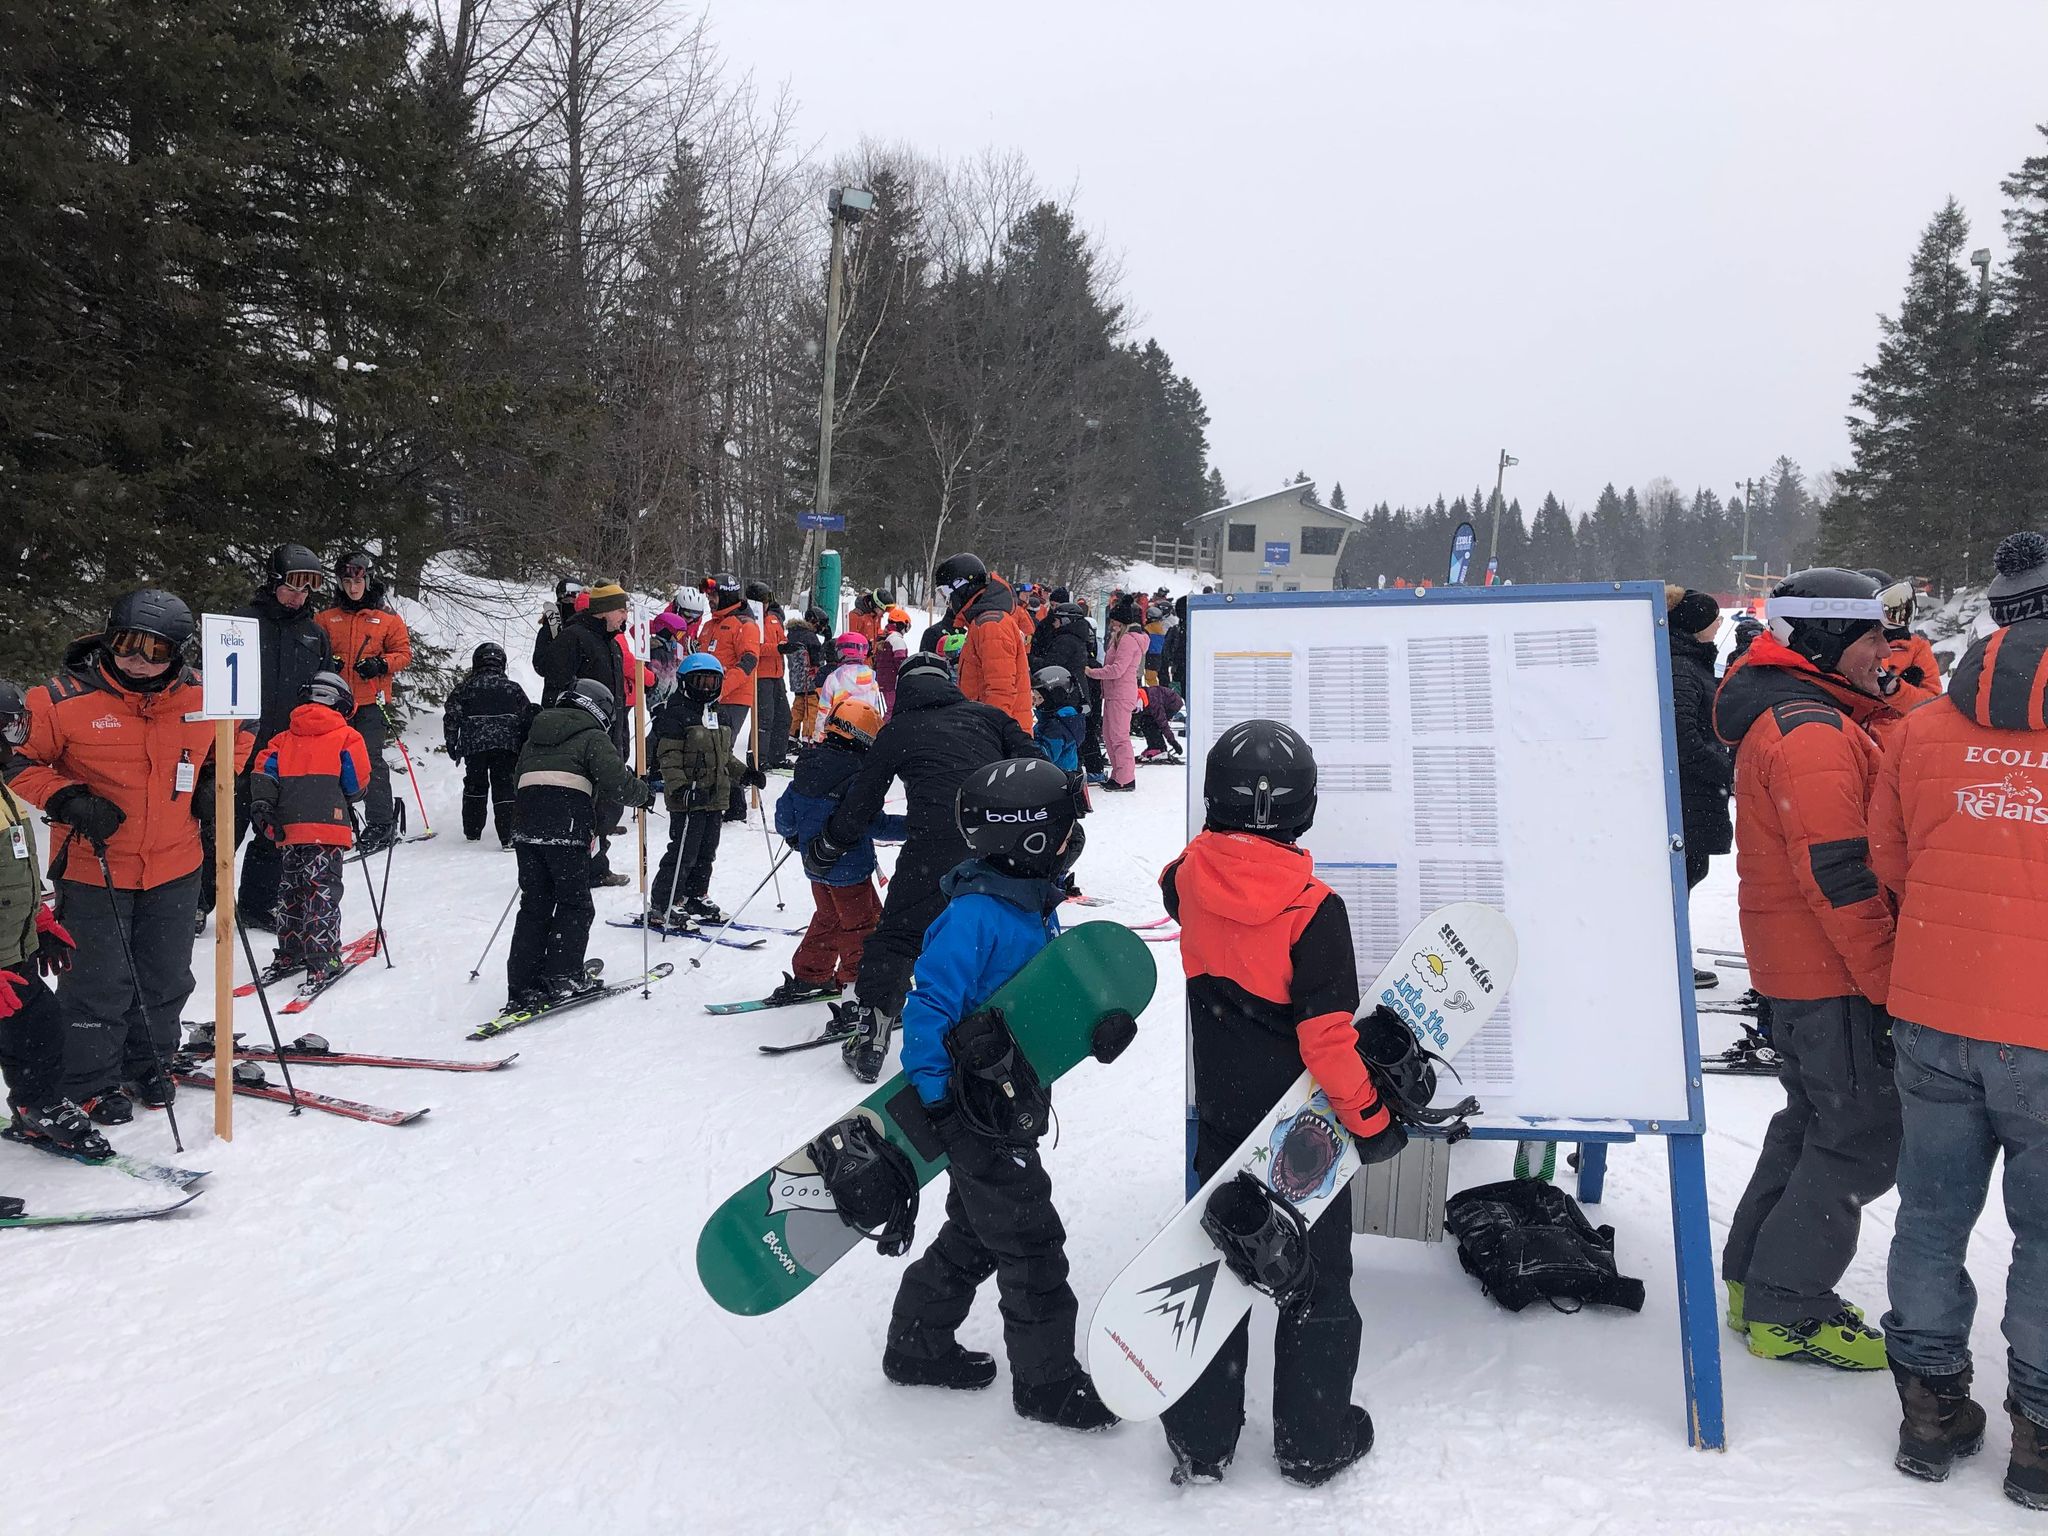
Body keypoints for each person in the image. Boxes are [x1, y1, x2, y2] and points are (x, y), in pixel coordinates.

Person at [1157, 720, 1397, 1486]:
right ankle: (1313, 1437)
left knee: (1217, 1260)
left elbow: (1178, 876)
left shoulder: (1186, 879)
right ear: (1306, 807)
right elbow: (1329, 1044)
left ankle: (1202, 1435)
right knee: (1317, 1282)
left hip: (1223, 1117)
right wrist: (1372, 1120)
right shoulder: (1314, 911)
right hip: (1303, 1133)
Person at [1867, 531, 2048, 1507]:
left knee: (1930, 1217)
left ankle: (1929, 1409)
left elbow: (1893, 869)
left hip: (1934, 1011)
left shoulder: (1920, 732)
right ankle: (2040, 1437)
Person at [880, 754, 1116, 1432]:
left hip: (1006, 1103)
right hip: (973, 1113)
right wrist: (938, 1103)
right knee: (1032, 1246)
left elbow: (1042, 1002)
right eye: (1068, 831)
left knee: (978, 1234)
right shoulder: (975, 917)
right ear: (1032, 840)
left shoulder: (1030, 905)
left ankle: (917, 1342)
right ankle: (1046, 1384)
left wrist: (1097, 1026)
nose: (1075, 841)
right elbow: (927, 1010)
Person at [1712, 567, 1901, 1370]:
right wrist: (1889, 980)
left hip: (1802, 967)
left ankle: (1757, 1284)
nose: (1885, 652)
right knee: (1861, 1136)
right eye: (1870, 636)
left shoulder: (1808, 716)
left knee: (1814, 1122)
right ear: (1823, 639)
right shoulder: (1811, 731)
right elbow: (1840, 874)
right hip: (1830, 972)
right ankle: (1790, 1306)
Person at [7, 590, 232, 1123]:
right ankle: (89, 1080)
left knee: (166, 976)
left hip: (177, 862)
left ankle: (148, 1060)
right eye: (131, 645)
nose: (141, 660)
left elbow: (239, 733)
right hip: (92, 866)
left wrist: (214, 779)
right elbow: (13, 759)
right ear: (109, 637)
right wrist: (65, 797)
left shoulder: (208, 695)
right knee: (97, 980)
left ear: (178, 654)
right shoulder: (59, 700)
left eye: (158, 651)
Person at [805, 651, 1042, 1082]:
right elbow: (1035, 764)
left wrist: (830, 842)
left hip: (933, 847)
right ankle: (1013, 1017)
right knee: (1001, 932)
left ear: (908, 689)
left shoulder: (898, 730)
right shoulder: (989, 717)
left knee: (897, 939)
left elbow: (863, 799)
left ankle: (872, 1030)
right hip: (1001, 844)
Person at [0, 679, 101, 1164]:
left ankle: (35, 1106)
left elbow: (12, 873)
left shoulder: (3, 794)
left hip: (10, 954)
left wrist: (37, 919)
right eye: (12, 729)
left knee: (39, 1029)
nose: (20, 743)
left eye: (23, 727)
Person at [505, 680, 651, 1010]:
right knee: (574, 903)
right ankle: (564, 976)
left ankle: (523, 984)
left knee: (535, 904)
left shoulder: (535, 736)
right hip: (566, 823)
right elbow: (616, 781)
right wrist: (642, 794)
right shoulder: (593, 737)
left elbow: (517, 778)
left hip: (527, 823)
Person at [220, 544, 335, 927]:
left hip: (285, 753)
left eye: (307, 590)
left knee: (272, 832)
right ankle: (201, 902)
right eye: (291, 586)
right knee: (220, 828)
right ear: (273, 582)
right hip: (236, 746)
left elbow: (324, 695)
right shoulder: (239, 625)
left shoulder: (314, 636)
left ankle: (256, 905)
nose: (298, 596)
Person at [769, 698, 903, 1006]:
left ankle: (811, 974)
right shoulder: (858, 777)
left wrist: (797, 836)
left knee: (830, 917)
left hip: (817, 866)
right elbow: (873, 824)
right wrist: (917, 826)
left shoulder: (807, 769)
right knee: (860, 927)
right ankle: (858, 991)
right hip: (850, 869)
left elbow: (784, 817)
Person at [247, 671, 371, 991]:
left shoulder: (283, 738)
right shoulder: (347, 737)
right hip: (327, 829)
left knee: (291, 891)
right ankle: (324, 958)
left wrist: (265, 806)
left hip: (290, 829)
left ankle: (290, 952)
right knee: (322, 891)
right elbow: (357, 784)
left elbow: (264, 773)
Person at [648, 654, 764, 930]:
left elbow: (724, 756)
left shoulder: (718, 713)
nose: (707, 688)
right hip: (688, 799)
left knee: (706, 852)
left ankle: (695, 895)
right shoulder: (675, 714)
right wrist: (681, 789)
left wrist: (745, 773)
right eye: (701, 681)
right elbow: (669, 758)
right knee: (683, 852)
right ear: (686, 683)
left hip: (715, 797)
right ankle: (664, 903)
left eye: (713, 682)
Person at [313, 549, 412, 853]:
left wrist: (380, 664)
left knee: (370, 762)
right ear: (340, 583)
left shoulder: (386, 619)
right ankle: (339, 823)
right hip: (336, 704)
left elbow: (404, 654)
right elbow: (315, 653)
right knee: (333, 763)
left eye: (358, 581)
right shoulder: (326, 618)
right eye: (347, 581)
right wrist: (332, 665)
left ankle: (381, 825)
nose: (353, 588)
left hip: (371, 702)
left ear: (368, 580)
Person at [539, 579, 631, 886]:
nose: (625, 615)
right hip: (581, 739)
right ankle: (578, 867)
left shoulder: (611, 642)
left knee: (606, 803)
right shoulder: (576, 638)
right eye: (620, 609)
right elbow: (555, 682)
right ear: (604, 612)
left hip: (609, 734)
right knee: (582, 804)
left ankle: (595, 863)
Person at [1666, 586, 1732, 986]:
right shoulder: (1681, 668)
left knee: (1686, 877)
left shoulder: (1691, 663)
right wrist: (1725, 768)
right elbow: (1683, 739)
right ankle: (1671, 962)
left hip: (1693, 797)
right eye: (1714, 620)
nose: (1720, 626)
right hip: (1686, 799)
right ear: (1695, 628)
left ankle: (1672, 959)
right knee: (1678, 882)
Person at [443, 642, 532, 847]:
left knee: (475, 784)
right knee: (505, 786)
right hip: (507, 746)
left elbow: (451, 716)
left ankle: (472, 831)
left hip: (474, 746)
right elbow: (527, 716)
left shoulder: (465, 688)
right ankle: (508, 836)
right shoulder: (512, 688)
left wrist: (451, 742)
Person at [934, 554, 1034, 732]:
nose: (949, 604)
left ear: (961, 587)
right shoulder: (982, 622)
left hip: (999, 737)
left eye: (947, 594)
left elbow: (1000, 690)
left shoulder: (991, 625)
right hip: (983, 726)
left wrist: (992, 736)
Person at [698, 573, 761, 820]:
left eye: (713, 595)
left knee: (723, 748)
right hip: (708, 697)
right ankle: (726, 800)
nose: (710, 600)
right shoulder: (709, 624)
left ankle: (734, 805)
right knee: (711, 747)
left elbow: (749, 661)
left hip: (734, 697)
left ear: (725, 594)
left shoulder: (745, 624)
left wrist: (722, 686)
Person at [1031, 593, 1103, 779]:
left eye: (1056, 620)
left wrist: (1029, 660)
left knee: (1063, 730)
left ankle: (1068, 771)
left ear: (1065, 621)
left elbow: (1052, 664)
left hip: (1064, 693)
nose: (1053, 623)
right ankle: (1078, 768)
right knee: (1076, 732)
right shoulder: (1077, 637)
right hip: (1076, 692)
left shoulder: (1066, 640)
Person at [1087, 597, 1148, 793]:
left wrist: (1092, 673)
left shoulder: (1129, 641)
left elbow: (1117, 669)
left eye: (1114, 622)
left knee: (1119, 736)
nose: (1111, 625)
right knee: (1109, 735)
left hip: (1122, 693)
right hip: (1113, 693)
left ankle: (1126, 778)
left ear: (1122, 622)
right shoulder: (1119, 638)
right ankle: (1118, 774)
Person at [748, 584, 792, 771]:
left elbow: (782, 640)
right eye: (763, 601)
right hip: (761, 675)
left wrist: (787, 645)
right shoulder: (751, 621)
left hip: (776, 674)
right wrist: (778, 648)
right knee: (764, 718)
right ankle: (759, 757)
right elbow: (755, 647)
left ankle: (777, 756)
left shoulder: (773, 619)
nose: (766, 605)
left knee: (784, 717)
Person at [781, 607, 832, 750]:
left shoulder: (793, 633)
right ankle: (808, 739)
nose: (821, 628)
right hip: (810, 678)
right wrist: (827, 640)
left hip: (796, 678)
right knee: (811, 709)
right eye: (821, 624)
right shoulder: (810, 637)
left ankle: (791, 736)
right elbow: (818, 657)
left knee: (798, 707)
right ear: (813, 621)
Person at [1031, 665, 1086, 777]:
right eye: (1034, 698)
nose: (1036, 703)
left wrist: (1024, 745)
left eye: (1039, 698)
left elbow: (1045, 756)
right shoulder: (1054, 720)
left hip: (1056, 780)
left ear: (1054, 696)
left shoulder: (1057, 727)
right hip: (1056, 777)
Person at [819, 633, 884, 725]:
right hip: (865, 729)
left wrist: (819, 735)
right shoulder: (872, 678)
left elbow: (824, 709)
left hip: (840, 730)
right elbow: (876, 709)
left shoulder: (833, 678)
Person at [1133, 683, 1186, 763]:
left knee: (1153, 723)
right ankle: (1153, 746)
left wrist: (1173, 742)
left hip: (1172, 704)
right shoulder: (1141, 696)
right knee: (1144, 721)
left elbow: (1163, 724)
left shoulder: (1154, 703)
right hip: (1157, 703)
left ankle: (1159, 748)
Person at [874, 606, 913, 713]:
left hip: (883, 681)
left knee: (890, 709)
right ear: (902, 625)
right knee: (892, 711)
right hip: (892, 682)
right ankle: (884, 728)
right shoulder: (897, 640)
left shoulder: (885, 638)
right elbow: (901, 663)